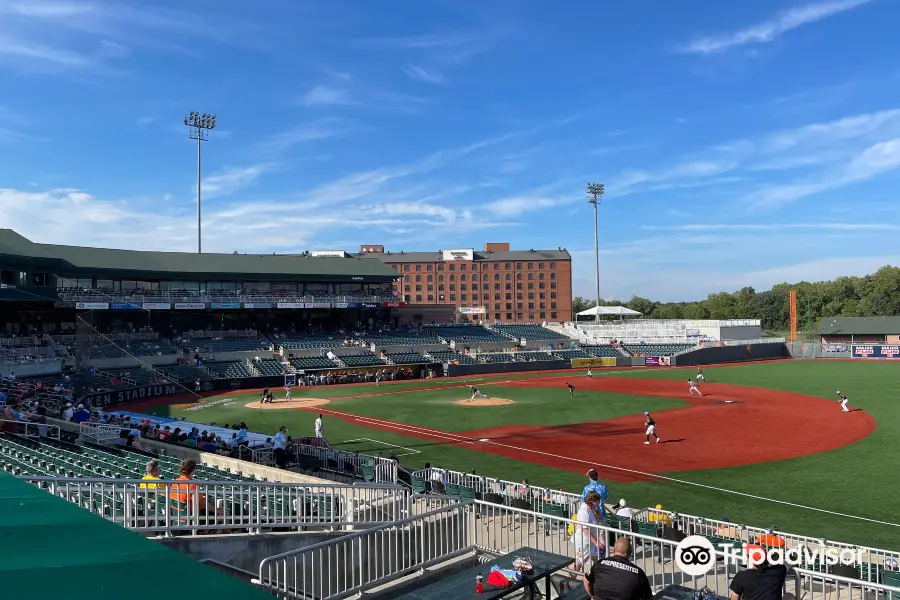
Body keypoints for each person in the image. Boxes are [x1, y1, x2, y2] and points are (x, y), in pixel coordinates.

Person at [583, 538, 652, 600]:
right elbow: (648, 597)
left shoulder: (600, 563)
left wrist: (593, 596)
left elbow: (586, 581)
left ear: (614, 550)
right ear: (630, 553)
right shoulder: (638, 573)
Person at [573, 490, 605, 572]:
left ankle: (593, 578)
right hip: (584, 543)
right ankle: (570, 579)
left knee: (597, 559)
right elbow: (585, 530)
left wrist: (596, 513)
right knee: (579, 563)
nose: (599, 503)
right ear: (592, 501)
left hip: (590, 542)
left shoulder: (590, 508)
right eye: (598, 501)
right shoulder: (584, 511)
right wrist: (597, 543)